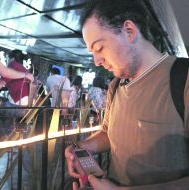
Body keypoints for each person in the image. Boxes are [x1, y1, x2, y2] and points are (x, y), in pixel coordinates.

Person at [65, 0, 189, 189]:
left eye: (99, 48)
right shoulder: (115, 87)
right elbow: (109, 132)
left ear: (129, 31)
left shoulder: (183, 80)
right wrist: (83, 147)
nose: (96, 61)